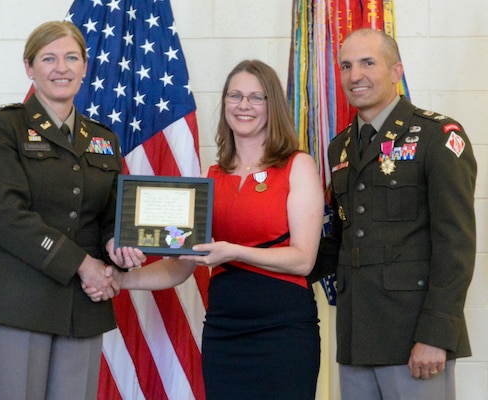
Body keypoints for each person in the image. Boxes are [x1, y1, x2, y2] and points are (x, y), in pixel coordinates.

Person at [87, 59, 325, 399]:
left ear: (273, 106)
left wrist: (232, 251)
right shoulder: (213, 175)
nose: (244, 105)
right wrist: (120, 280)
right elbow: (181, 264)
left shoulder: (297, 165)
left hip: (283, 330)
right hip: (224, 330)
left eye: (256, 98)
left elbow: (303, 260)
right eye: (235, 95)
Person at [0, 21, 143, 400]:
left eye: (71, 58)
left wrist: (118, 245)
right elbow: (9, 217)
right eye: (49, 58)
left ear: (84, 67)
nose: (61, 68)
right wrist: (85, 265)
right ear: (29, 68)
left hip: (80, 310)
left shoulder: (103, 139)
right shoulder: (3, 127)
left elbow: (112, 214)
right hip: (16, 305)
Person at [310, 28, 477, 400]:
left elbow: (456, 245)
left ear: (396, 71)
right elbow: (340, 239)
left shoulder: (436, 136)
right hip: (356, 337)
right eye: (346, 66)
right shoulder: (341, 146)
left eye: (368, 63)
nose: (355, 76)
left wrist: (436, 335)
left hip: (413, 338)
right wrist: (266, 263)